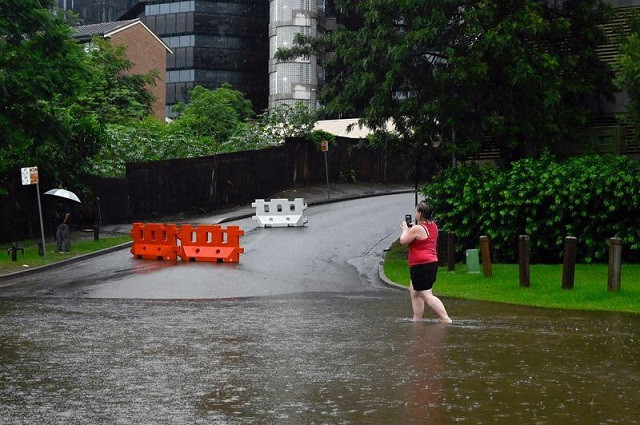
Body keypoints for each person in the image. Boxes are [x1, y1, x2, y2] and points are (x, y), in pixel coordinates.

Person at [400, 201, 452, 323]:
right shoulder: (433, 226)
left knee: (425, 294)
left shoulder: (418, 228)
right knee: (414, 292)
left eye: (416, 211)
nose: (415, 214)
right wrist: (411, 229)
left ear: (420, 214)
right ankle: (417, 319)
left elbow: (403, 241)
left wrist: (405, 230)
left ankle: (446, 318)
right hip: (430, 263)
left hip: (421, 265)